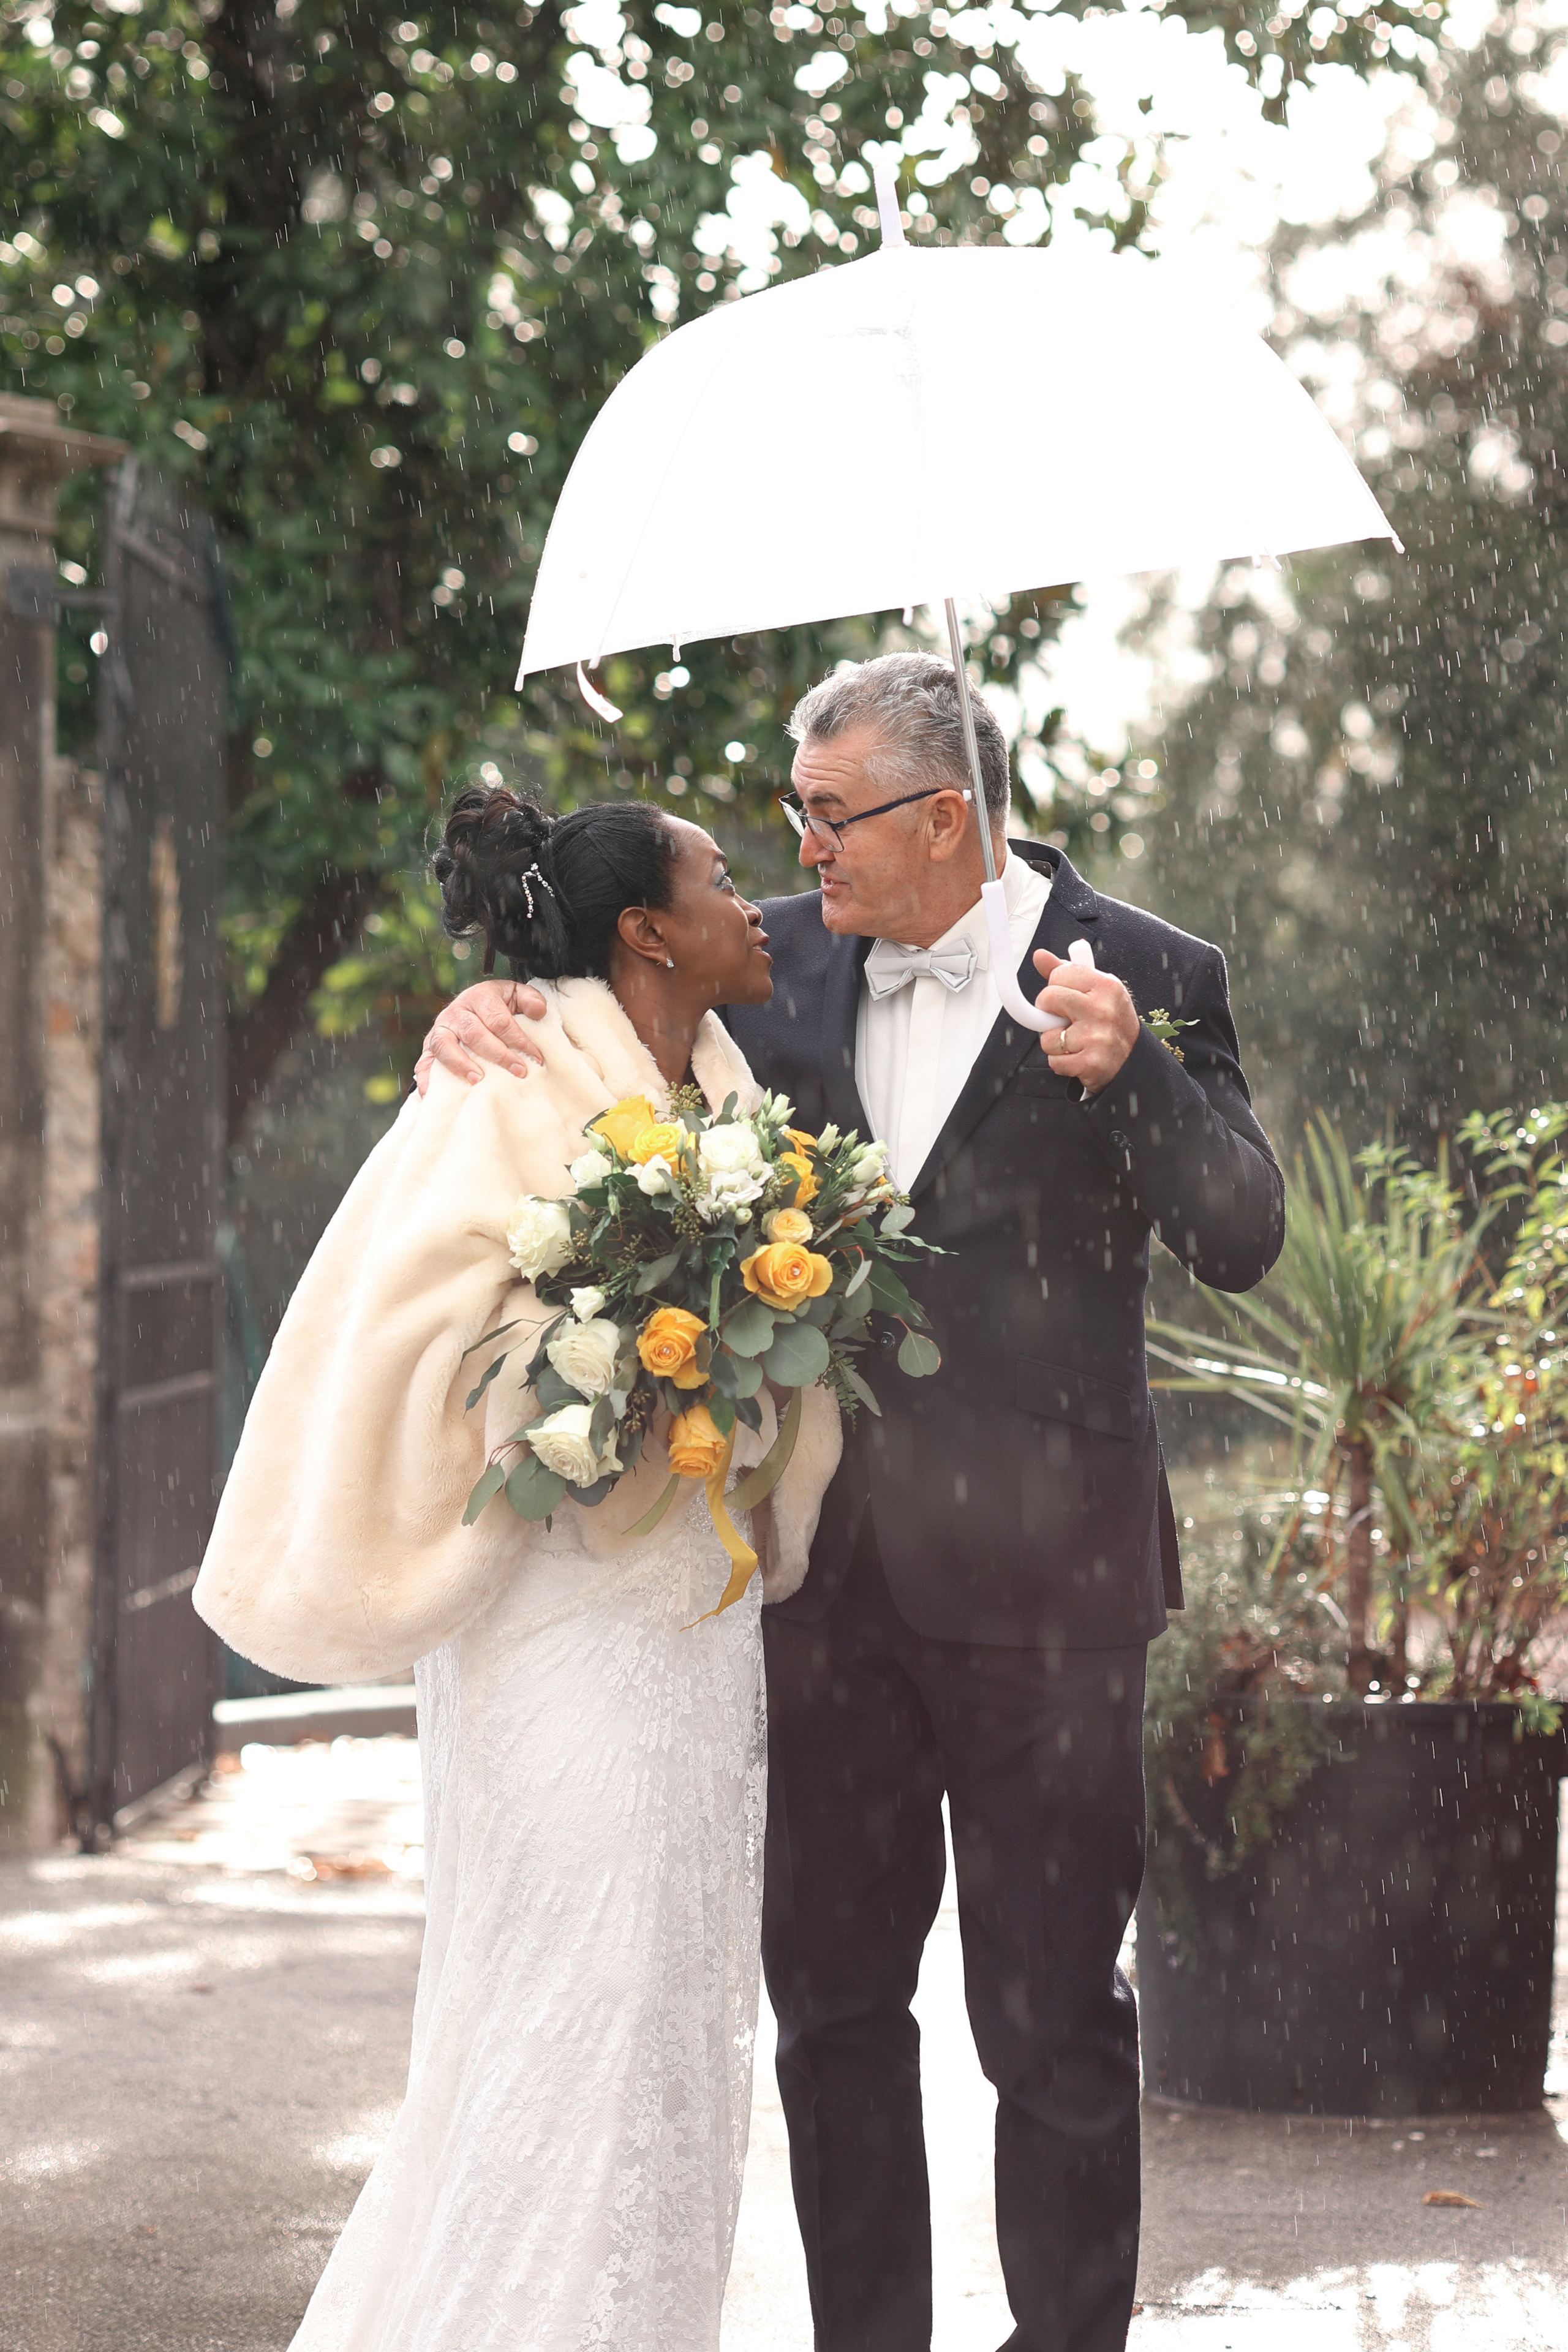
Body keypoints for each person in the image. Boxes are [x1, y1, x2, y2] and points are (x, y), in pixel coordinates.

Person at [418, 654, 1286, 2352]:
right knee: (829, 2016)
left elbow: (1244, 1234)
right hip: (823, 1588)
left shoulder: (1153, 973)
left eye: (832, 815)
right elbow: (592, 1032)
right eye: (795, 813)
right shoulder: (774, 970)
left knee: (1047, 2028)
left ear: (945, 812)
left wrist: (1144, 1080)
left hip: (1058, 1594)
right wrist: (476, 1010)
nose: (799, 847)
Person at [194, 790, 843, 2352]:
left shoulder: (730, 1067)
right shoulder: (503, 1067)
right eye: (719, 877)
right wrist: (596, 1364)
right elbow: (412, 1322)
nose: (759, 900)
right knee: (570, 1990)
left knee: (681, 2004)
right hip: (556, 1613)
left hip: (692, 1614)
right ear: (642, 930)